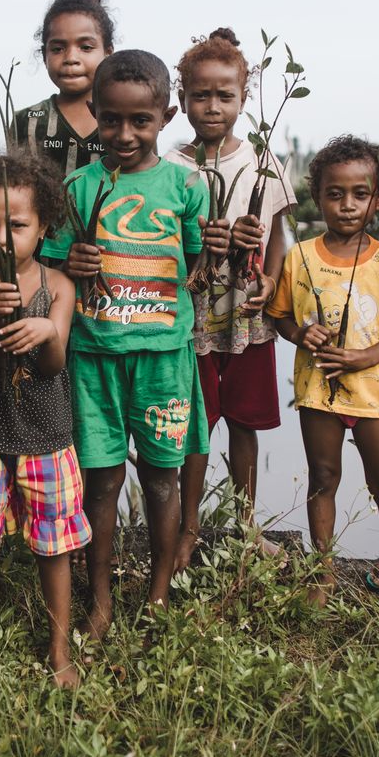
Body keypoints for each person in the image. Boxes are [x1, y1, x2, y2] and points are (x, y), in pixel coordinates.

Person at [40, 48, 226, 639]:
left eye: (140, 121)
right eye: (112, 119)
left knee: (162, 478)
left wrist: (214, 251)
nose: (124, 133)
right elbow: (48, 261)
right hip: (93, 357)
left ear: (165, 116)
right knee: (101, 481)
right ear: (94, 111)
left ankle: (159, 594)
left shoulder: (185, 185)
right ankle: (98, 601)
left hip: (164, 360)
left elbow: (197, 256)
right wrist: (71, 257)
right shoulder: (76, 186)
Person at [267, 135, 379, 618]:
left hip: (373, 395)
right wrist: (300, 335)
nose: (347, 205)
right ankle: (323, 574)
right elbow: (282, 316)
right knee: (323, 479)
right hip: (316, 391)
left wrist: (367, 356)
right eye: (334, 194)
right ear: (318, 195)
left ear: (377, 199)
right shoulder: (300, 256)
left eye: (359, 194)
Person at [161, 27, 295, 569]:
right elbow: (160, 242)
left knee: (244, 423)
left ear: (244, 97)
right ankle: (187, 529)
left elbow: (281, 234)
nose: (212, 106)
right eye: (200, 95)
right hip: (188, 318)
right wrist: (200, 243)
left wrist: (269, 281)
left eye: (225, 95)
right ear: (183, 98)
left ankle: (244, 525)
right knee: (193, 426)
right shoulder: (170, 165)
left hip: (245, 316)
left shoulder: (262, 162)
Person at [0, 152, 89, 686]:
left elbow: (53, 365)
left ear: (44, 226)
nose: (2, 239)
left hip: (46, 433)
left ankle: (60, 650)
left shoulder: (59, 286)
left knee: (52, 546)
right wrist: (1, 313)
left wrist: (48, 333)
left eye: (17, 225)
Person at [10, 0, 116, 176]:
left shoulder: (127, 119)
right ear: (44, 55)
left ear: (108, 53)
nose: (70, 58)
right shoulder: (27, 122)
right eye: (58, 49)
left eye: (85, 47)